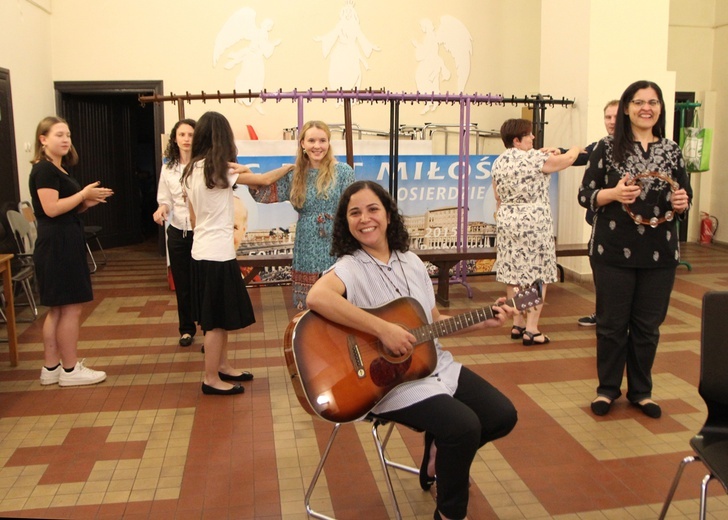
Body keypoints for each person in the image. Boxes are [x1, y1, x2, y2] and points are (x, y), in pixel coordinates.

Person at [306, 180, 518, 520]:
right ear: (346, 223)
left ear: (388, 215)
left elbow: (434, 320)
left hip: (433, 365)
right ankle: (449, 513)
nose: (365, 219)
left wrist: (486, 321)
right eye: (355, 213)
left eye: (373, 209)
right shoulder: (350, 266)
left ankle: (438, 453)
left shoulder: (412, 262)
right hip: (389, 383)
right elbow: (317, 297)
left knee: (502, 415)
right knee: (462, 427)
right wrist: (382, 329)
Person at [578, 80, 692, 418]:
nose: (647, 107)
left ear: (660, 108)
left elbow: (682, 195)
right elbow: (586, 195)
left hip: (660, 252)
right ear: (627, 107)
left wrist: (682, 201)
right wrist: (612, 194)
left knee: (647, 327)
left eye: (653, 102)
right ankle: (607, 389)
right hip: (613, 251)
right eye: (639, 101)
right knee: (612, 325)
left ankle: (642, 392)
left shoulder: (671, 150)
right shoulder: (607, 147)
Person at [181, 111, 290, 395]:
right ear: (223, 137)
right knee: (216, 322)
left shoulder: (191, 170)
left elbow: (193, 219)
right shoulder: (220, 169)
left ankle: (223, 366)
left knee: (218, 316)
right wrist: (290, 166)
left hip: (200, 251)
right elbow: (265, 181)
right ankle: (210, 379)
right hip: (218, 254)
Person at [30, 116, 114, 387]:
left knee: (58, 309)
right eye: (58, 135)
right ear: (43, 140)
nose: (66, 139)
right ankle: (69, 370)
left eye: (67, 134)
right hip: (58, 244)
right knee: (69, 309)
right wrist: (82, 195)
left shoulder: (58, 170)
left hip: (63, 239)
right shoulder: (44, 170)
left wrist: (87, 202)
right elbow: (51, 209)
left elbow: (64, 207)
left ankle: (52, 367)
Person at [491, 119, 580, 346]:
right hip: (534, 223)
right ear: (517, 140)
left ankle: (517, 323)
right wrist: (576, 149)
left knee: (514, 274)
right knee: (537, 274)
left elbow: (497, 197)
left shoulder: (499, 162)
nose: (533, 138)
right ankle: (532, 329)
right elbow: (567, 160)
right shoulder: (533, 159)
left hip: (508, 221)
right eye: (529, 135)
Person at [249, 120, 355, 309]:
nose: (317, 146)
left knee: (338, 300)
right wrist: (244, 173)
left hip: (337, 241)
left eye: (322, 140)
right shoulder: (295, 175)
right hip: (306, 243)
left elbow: (352, 208)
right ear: (303, 144)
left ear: (328, 143)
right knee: (309, 304)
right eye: (312, 140)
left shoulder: (343, 172)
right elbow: (262, 193)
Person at [153, 119, 197, 347]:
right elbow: (165, 199)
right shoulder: (168, 168)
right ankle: (186, 328)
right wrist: (162, 209)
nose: (187, 139)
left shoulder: (203, 164)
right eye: (182, 134)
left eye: (191, 134)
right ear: (175, 138)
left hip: (201, 232)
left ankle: (209, 327)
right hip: (178, 230)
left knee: (203, 281)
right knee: (183, 282)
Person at [576, 100, 619, 327]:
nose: (611, 122)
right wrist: (558, 152)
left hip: (628, 231)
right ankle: (602, 314)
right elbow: (582, 154)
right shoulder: (601, 146)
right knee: (602, 273)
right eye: (607, 117)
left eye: (616, 117)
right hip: (601, 226)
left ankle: (619, 319)